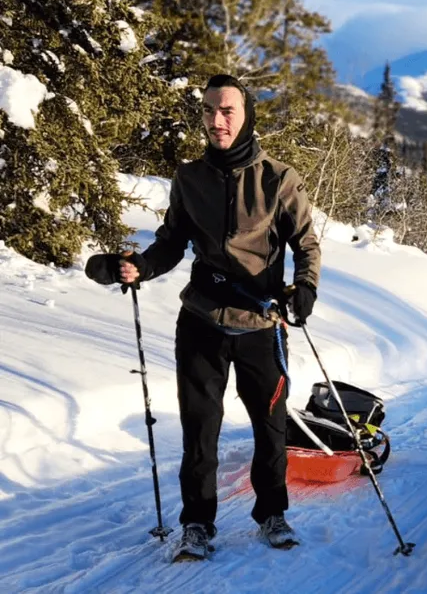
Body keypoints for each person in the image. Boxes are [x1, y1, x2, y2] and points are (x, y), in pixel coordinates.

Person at [85, 74, 321, 560]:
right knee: (200, 430)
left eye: (227, 110)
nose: (217, 120)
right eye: (210, 110)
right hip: (201, 322)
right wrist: (139, 267)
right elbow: (171, 241)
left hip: (261, 325)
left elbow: (306, 243)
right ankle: (197, 524)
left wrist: (306, 287)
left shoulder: (278, 178)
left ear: (246, 115)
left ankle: (272, 514)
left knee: (270, 426)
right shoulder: (189, 178)